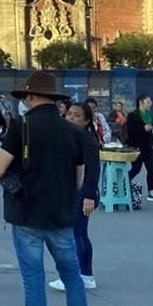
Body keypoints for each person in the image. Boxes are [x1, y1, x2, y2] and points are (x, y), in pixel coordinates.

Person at [0, 71, 88, 306]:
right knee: (72, 278)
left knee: (33, 282)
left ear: (30, 96)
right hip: (61, 217)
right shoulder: (72, 131)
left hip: (26, 216)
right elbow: (79, 178)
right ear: (54, 99)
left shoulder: (21, 127)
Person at [49, 101, 101, 292]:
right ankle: (86, 275)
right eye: (69, 113)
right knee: (81, 234)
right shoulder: (72, 137)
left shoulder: (86, 140)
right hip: (76, 191)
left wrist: (88, 195)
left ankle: (74, 276)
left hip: (82, 193)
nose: (71, 117)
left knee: (75, 235)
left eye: (77, 115)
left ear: (87, 120)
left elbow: (93, 170)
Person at [126, 95, 153, 202]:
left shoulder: (149, 115)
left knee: (151, 170)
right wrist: (143, 128)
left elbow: (150, 133)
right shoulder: (132, 115)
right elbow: (130, 131)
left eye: (150, 101)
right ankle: (123, 183)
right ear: (140, 102)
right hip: (137, 147)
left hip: (149, 147)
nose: (150, 103)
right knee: (136, 169)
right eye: (148, 101)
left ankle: (151, 192)